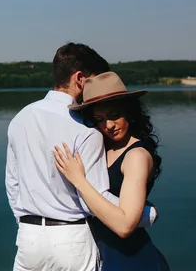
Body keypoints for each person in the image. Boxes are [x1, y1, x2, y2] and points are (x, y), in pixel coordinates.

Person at [5, 42, 157, 271]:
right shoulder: (85, 129)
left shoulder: (20, 118)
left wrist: (25, 224)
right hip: (72, 239)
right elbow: (95, 196)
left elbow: (13, 184)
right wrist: (146, 214)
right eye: (95, 80)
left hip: (29, 239)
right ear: (80, 79)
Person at [53, 71, 169, 270]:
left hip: (132, 260)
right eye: (99, 119)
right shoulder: (103, 147)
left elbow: (125, 226)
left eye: (115, 115)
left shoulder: (136, 156)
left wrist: (78, 180)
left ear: (130, 112)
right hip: (103, 255)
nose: (108, 125)